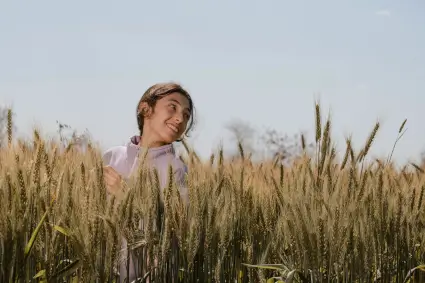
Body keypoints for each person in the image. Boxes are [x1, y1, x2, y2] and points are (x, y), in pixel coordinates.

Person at [101, 82, 195, 281]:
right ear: (145, 109)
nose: (180, 118)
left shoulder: (177, 171)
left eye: (186, 115)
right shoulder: (111, 157)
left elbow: (176, 233)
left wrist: (127, 197)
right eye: (173, 107)